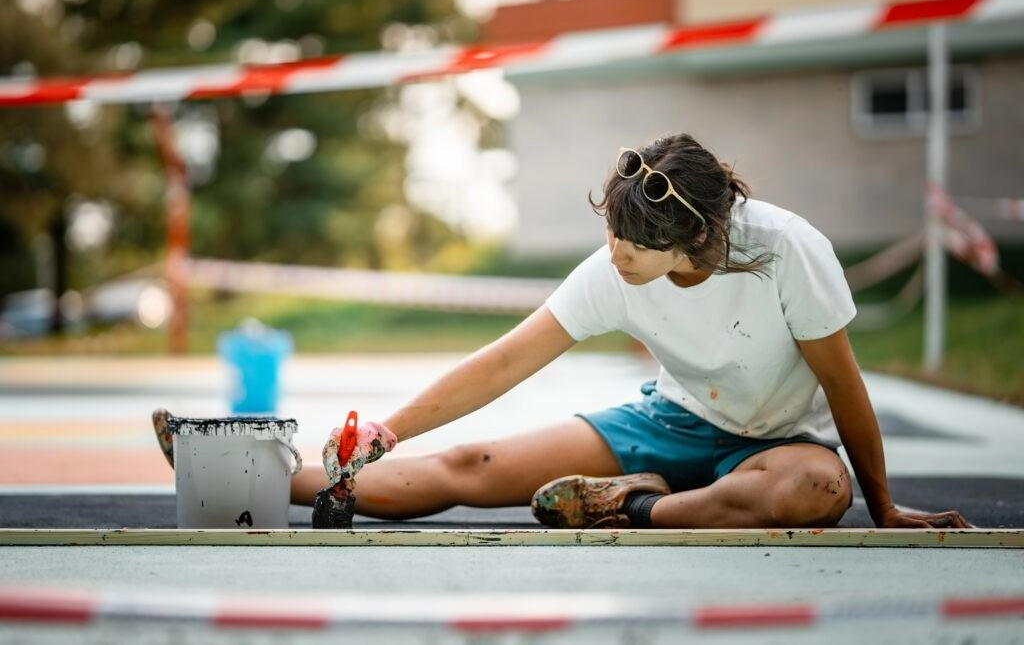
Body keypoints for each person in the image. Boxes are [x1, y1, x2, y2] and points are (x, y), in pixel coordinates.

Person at [158, 132, 969, 530]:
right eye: (610, 231)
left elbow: (843, 385)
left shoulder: (789, 250)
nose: (613, 252)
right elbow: (505, 361)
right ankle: (244, 476)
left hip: (782, 443)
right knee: (470, 466)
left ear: (693, 239)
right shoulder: (611, 268)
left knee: (813, 495)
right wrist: (389, 428)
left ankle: (640, 506)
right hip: (673, 420)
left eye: (633, 242)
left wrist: (884, 506)